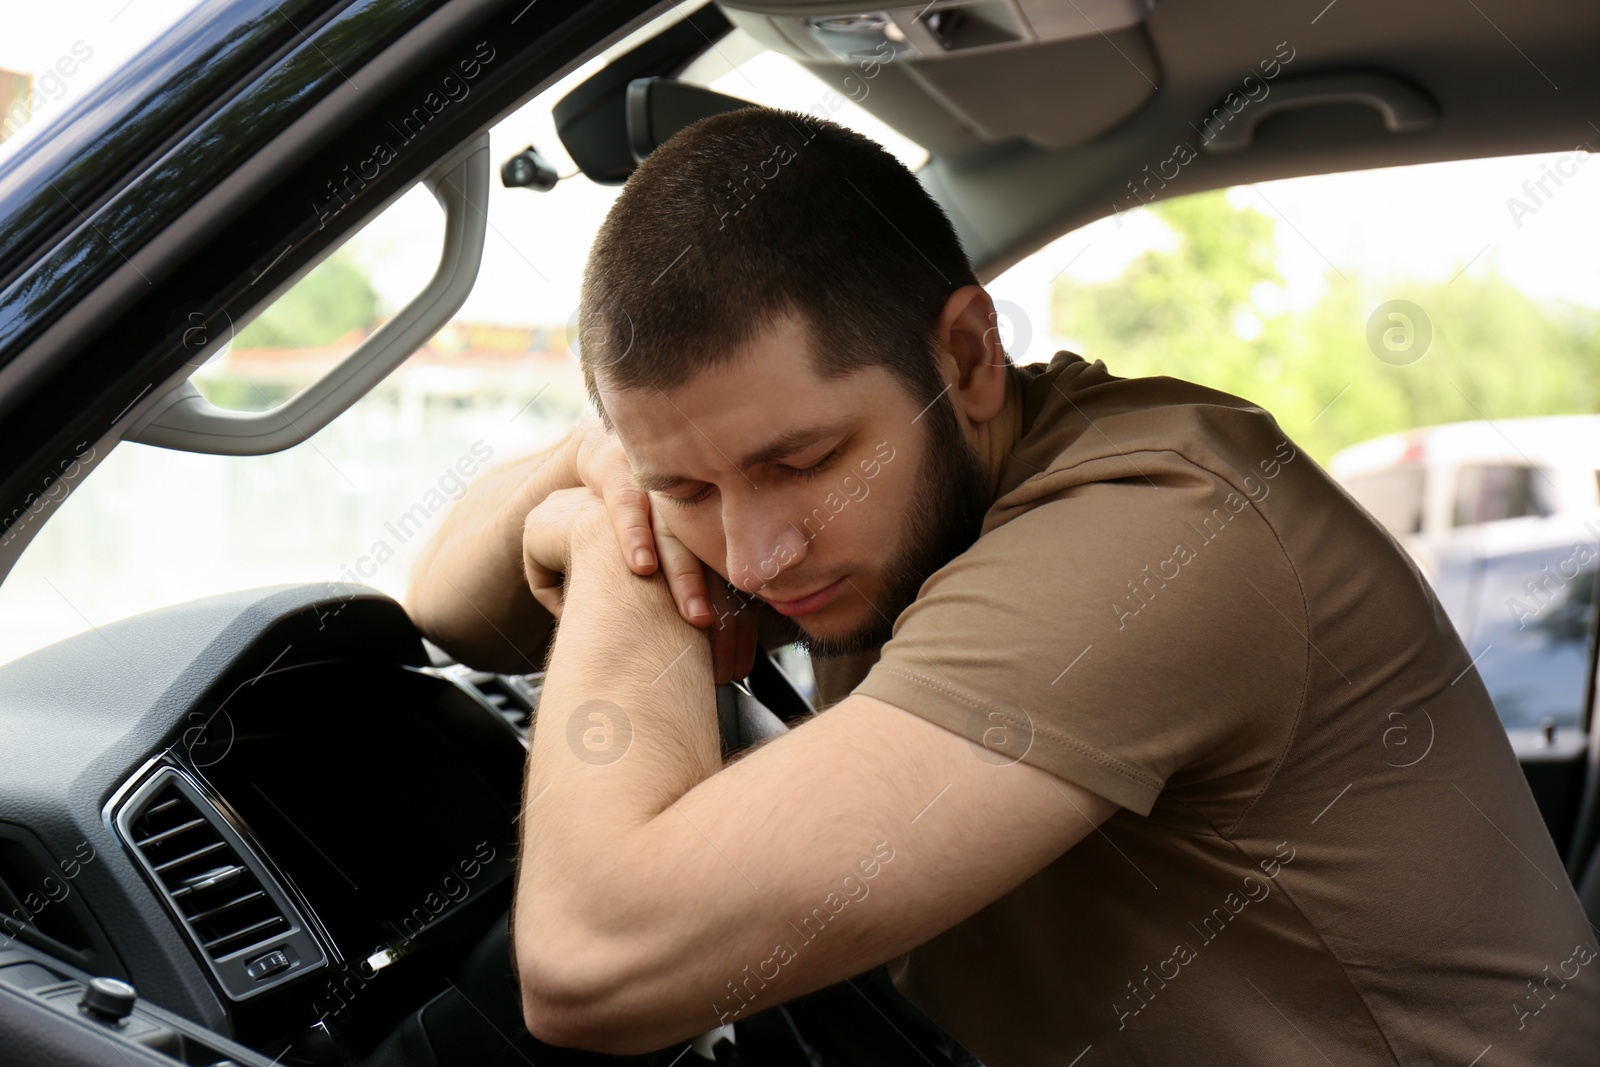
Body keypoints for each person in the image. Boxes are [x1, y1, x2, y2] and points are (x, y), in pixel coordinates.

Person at [404, 106, 1600, 1066]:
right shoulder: (870, 509)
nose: (755, 553)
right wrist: (595, 469)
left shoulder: (1155, 532)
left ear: (969, 356)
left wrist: (624, 564)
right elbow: (441, 610)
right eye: (690, 487)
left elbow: (588, 962)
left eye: (803, 461)